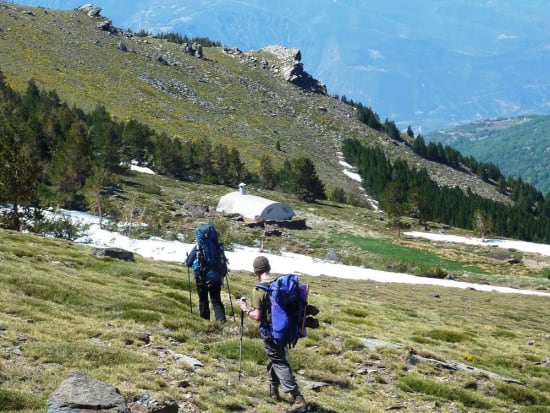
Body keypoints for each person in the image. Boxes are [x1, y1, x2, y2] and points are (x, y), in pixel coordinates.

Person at [238, 256, 307, 413]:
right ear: (268, 268)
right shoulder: (280, 284)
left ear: (256, 272)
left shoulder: (259, 289)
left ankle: (298, 399)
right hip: (285, 330)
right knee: (274, 358)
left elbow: (257, 316)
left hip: (271, 332)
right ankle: (273, 390)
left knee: (279, 361)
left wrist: (244, 308)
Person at [185, 245, 226, 322]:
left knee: (203, 300)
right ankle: (221, 322)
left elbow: (188, 263)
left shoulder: (197, 247)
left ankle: (205, 322)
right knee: (216, 300)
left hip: (201, 278)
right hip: (215, 278)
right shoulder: (217, 246)